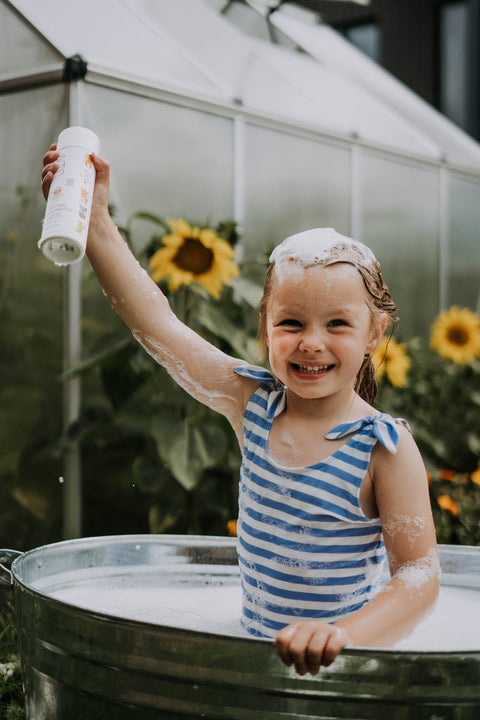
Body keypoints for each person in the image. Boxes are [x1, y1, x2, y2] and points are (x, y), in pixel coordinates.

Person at [41, 147, 440, 675]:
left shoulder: (383, 447)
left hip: (344, 666)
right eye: (291, 323)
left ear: (374, 334)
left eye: (338, 325)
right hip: (258, 654)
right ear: (266, 327)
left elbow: (418, 576)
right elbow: (159, 326)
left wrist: (341, 635)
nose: (311, 343)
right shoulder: (253, 403)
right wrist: (96, 224)